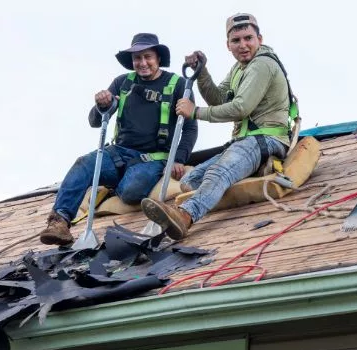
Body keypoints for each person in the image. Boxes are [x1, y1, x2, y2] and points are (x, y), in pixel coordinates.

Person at [141, 13, 296, 240]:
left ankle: (185, 216)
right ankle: (256, 168)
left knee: (218, 172)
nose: (243, 45)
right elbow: (219, 99)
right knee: (189, 181)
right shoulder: (239, 69)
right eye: (236, 41)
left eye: (248, 38)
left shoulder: (262, 65)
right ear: (228, 45)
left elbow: (240, 108)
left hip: (267, 139)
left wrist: (195, 112)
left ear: (259, 39)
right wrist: (202, 72)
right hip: (245, 142)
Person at [39, 33, 198, 246]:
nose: (142, 63)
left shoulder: (178, 85)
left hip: (152, 158)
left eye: (147, 57)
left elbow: (189, 128)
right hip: (117, 153)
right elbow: (96, 121)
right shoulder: (123, 83)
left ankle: (115, 184)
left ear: (158, 58)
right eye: (137, 58)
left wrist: (179, 158)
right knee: (84, 163)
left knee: (132, 191)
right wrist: (102, 105)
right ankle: (59, 221)